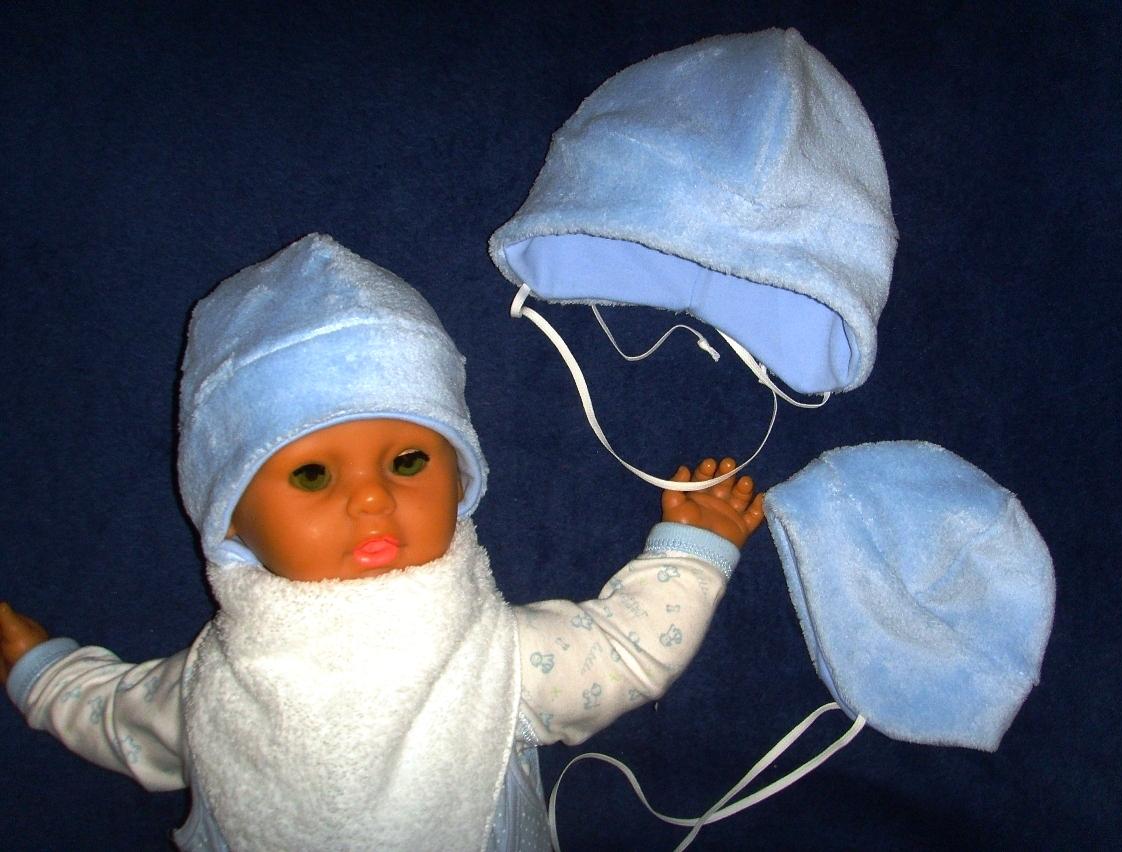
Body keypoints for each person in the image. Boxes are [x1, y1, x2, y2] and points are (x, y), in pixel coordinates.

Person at [0, 234, 764, 851]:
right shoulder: (213, 686)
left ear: (460, 479)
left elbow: (621, 654)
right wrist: (44, 674)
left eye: (407, 462)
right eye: (311, 475)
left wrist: (690, 551)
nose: (371, 499)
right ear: (228, 515)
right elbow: (120, 720)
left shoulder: (490, 660)